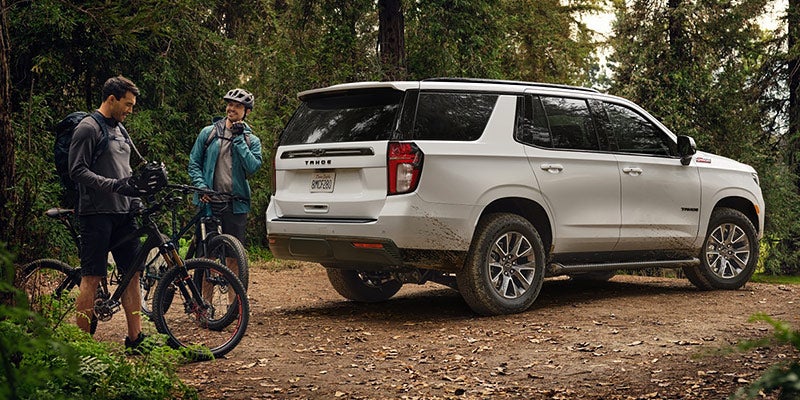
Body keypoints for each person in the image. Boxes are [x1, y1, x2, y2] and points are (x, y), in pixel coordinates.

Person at [68, 75, 148, 350]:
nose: (130, 110)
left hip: (124, 214)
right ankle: (81, 346)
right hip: (96, 214)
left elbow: (124, 171)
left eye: (132, 105)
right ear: (111, 99)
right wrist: (112, 186)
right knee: (91, 277)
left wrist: (134, 198)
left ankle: (136, 339)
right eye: (127, 104)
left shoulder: (120, 130)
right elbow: (76, 170)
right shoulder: (88, 128)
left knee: (132, 274)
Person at [188, 88, 263, 288]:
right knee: (207, 258)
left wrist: (239, 140)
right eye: (229, 104)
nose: (231, 108)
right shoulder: (209, 133)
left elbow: (253, 166)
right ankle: (206, 307)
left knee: (233, 258)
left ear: (247, 111)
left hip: (235, 204)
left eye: (237, 106)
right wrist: (202, 187)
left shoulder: (251, 140)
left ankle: (235, 306)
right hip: (209, 203)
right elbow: (194, 163)